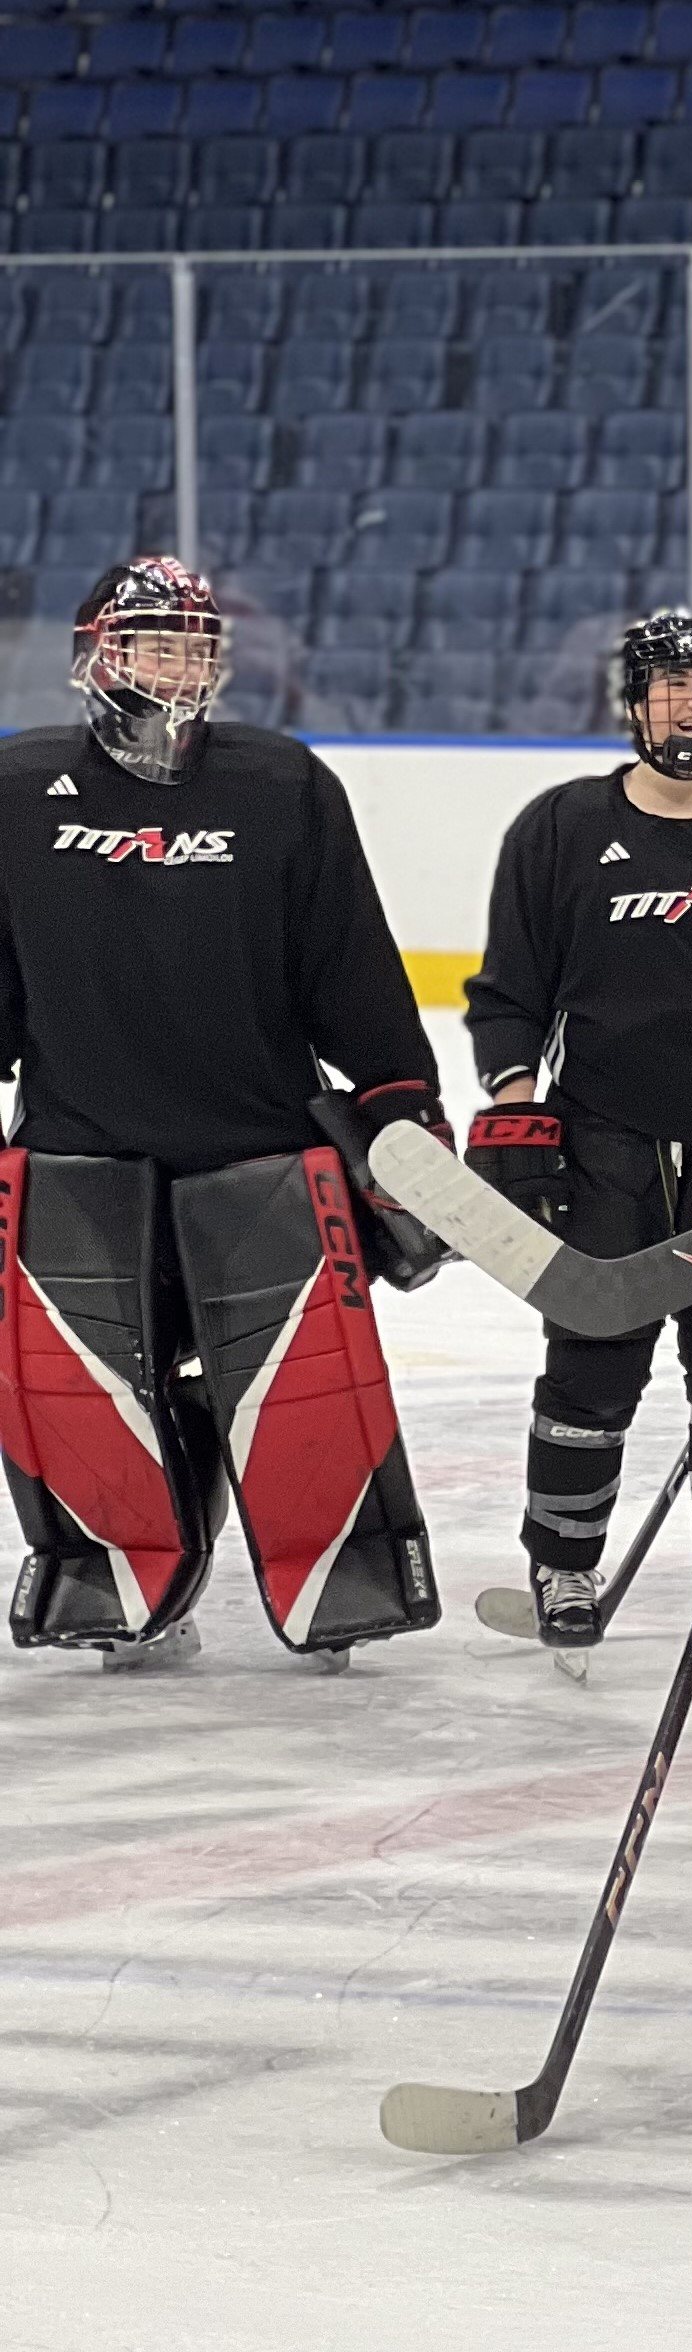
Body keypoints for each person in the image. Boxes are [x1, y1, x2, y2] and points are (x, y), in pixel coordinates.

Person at [0, 556, 444, 1670]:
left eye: (196, 644)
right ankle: (120, 1576)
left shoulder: (281, 783)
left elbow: (349, 968)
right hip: (76, 1148)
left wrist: (404, 1111)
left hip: (262, 1151)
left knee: (309, 1400)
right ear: (94, 651)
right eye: (155, 640)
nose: (178, 664)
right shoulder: (13, 789)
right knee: (79, 1400)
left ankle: (341, 1575)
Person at [461, 611, 692, 1668]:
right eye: (672, 687)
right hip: (607, 1143)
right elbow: (507, 992)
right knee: (591, 1360)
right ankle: (564, 1560)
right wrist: (515, 1096)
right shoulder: (562, 826)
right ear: (632, 705)